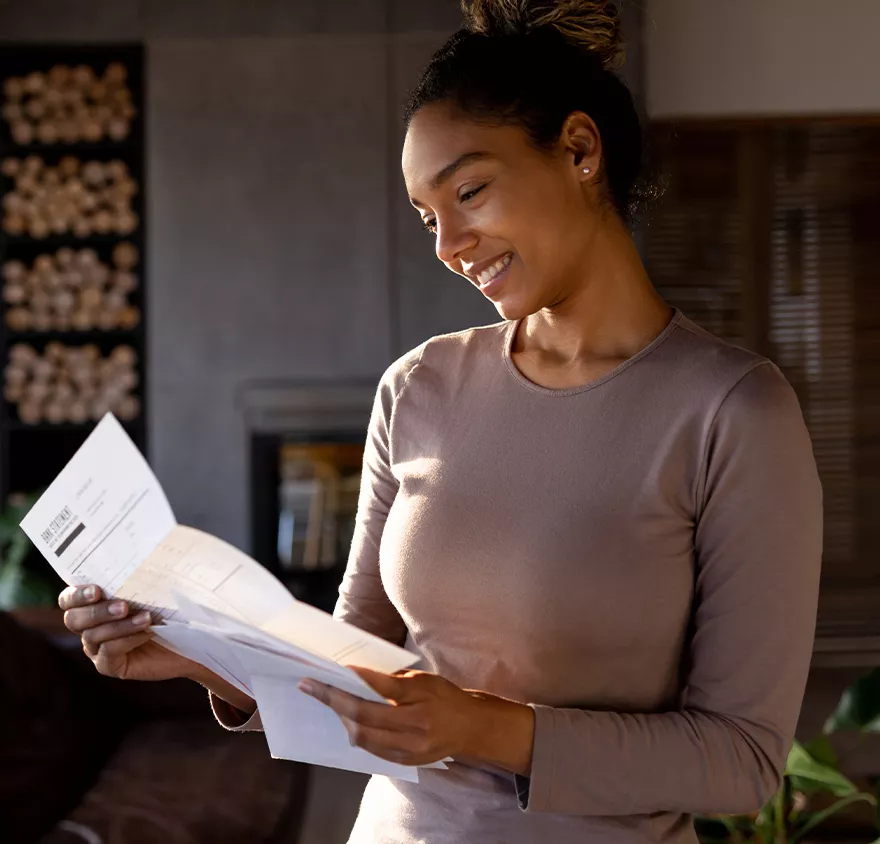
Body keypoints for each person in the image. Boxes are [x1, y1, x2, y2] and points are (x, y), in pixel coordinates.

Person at [60, 1, 823, 842]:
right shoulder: (417, 387)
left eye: (469, 192)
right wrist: (197, 656)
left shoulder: (732, 410)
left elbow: (743, 762)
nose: (447, 244)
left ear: (579, 149)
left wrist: (481, 727)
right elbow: (348, 661)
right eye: (428, 217)